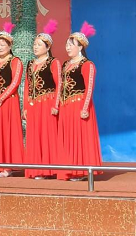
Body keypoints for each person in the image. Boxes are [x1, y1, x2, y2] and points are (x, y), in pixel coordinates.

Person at [56, 22, 102, 181]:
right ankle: (69, 169)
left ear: (80, 47)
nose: (67, 48)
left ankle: (81, 171)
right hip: (66, 106)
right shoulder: (65, 65)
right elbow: (61, 86)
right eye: (66, 45)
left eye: (71, 45)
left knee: (80, 139)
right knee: (68, 139)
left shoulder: (87, 65)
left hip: (79, 105)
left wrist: (85, 108)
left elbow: (89, 87)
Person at [0, 22, 24, 177]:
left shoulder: (15, 61)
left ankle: (8, 167)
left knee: (8, 133)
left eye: (2, 44)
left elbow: (15, 82)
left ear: (10, 46)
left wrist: (0, 99)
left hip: (8, 103)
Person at [24, 20, 61, 179]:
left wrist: (56, 105)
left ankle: (48, 170)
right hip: (33, 104)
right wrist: (25, 107)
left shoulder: (53, 62)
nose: (35, 47)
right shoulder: (30, 63)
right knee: (34, 136)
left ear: (47, 47)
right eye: (34, 44)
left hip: (48, 102)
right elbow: (27, 86)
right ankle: (36, 169)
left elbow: (59, 84)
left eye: (39, 44)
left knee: (47, 136)